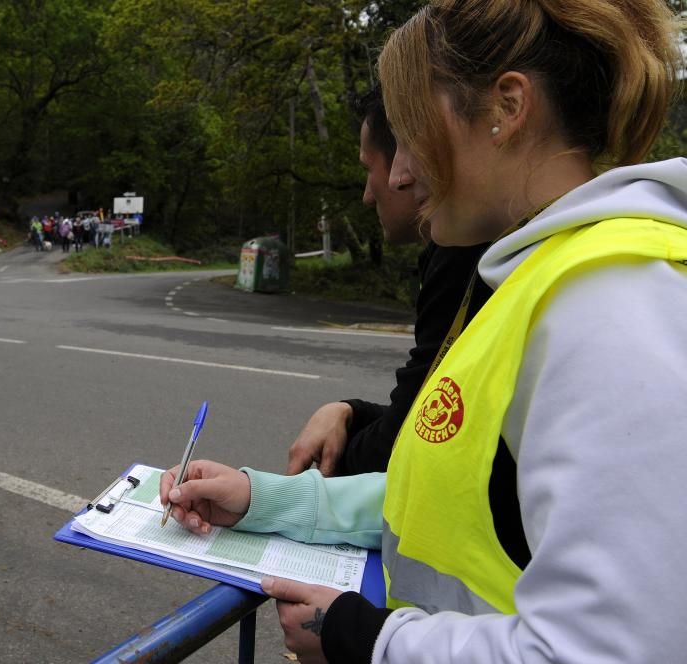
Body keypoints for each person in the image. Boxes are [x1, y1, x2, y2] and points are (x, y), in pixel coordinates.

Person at [161, 0, 687, 661]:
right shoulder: (530, 279)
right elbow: (449, 492)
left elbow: (615, 648)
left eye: (410, 132)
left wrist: (369, 640)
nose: (400, 171)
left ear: (507, 107)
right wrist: (264, 499)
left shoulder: (612, 299)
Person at [287, 86, 491, 479]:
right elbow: (431, 413)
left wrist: (284, 493)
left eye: (370, 167)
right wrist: (352, 413)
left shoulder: (468, 254)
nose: (394, 180)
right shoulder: (466, 251)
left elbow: (406, 445)